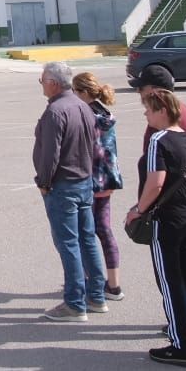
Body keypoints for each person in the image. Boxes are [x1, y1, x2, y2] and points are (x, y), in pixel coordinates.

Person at [127, 87, 186, 366]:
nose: (145, 113)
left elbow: (156, 182)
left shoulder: (159, 139)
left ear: (162, 111)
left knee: (171, 281)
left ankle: (179, 344)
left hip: (166, 219)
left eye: (148, 108)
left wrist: (138, 210)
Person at [33, 62, 108, 321]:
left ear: (53, 82)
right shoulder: (82, 107)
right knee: (86, 239)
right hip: (83, 181)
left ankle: (75, 303)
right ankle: (96, 296)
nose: (41, 84)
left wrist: (44, 181)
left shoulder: (57, 111)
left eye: (42, 80)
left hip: (63, 184)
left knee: (69, 243)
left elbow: (50, 154)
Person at [73, 72, 125, 300]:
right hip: (107, 178)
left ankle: (90, 281)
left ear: (83, 93)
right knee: (103, 230)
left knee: (83, 233)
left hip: (89, 180)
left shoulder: (86, 116)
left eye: (74, 91)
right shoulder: (106, 113)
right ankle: (113, 284)